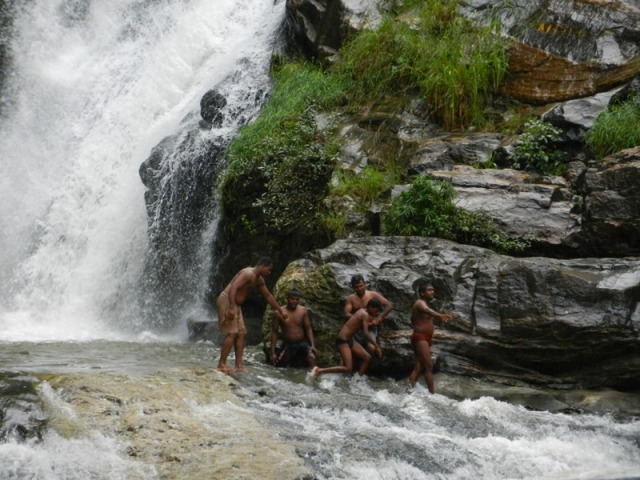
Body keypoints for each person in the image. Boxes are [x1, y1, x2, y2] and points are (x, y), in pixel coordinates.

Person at [216, 256, 288, 372]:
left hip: (235, 304)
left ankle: (239, 366)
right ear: (263, 266)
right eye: (269, 269)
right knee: (232, 332)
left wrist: (280, 310)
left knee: (240, 333)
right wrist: (230, 307)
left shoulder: (259, 280)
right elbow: (234, 287)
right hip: (227, 300)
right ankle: (221, 364)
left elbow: (268, 296)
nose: (270, 273)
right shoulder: (247, 273)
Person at [311, 299, 383, 378]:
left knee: (367, 357)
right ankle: (319, 370)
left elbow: (361, 325)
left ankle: (357, 380)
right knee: (348, 368)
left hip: (349, 339)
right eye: (375, 311)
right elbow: (366, 334)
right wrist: (376, 345)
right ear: (370, 307)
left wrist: (374, 321)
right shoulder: (364, 314)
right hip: (343, 340)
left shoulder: (362, 311)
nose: (375, 313)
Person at [408, 283, 452, 393]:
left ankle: (408, 391)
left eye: (433, 290)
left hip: (425, 339)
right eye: (429, 290)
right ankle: (432, 394)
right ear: (422, 293)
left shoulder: (425, 304)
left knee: (418, 368)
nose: (432, 292)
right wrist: (440, 315)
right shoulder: (420, 302)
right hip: (420, 338)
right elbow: (426, 310)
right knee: (428, 366)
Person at [343, 274, 392, 358]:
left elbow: (388, 306)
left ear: (365, 284)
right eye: (356, 287)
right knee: (349, 349)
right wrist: (359, 319)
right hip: (357, 328)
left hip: (370, 328)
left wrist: (379, 318)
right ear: (353, 287)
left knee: (371, 348)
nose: (359, 289)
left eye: (361, 286)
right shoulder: (351, 298)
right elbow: (346, 314)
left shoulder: (373, 294)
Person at [270, 289, 317, 369]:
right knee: (280, 368)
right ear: (287, 298)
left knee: (311, 357)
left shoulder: (303, 311)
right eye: (292, 299)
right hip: (288, 344)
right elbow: (274, 332)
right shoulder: (279, 313)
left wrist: (312, 345)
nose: (294, 301)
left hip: (302, 343)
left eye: (297, 299)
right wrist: (272, 352)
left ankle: (314, 378)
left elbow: (308, 328)